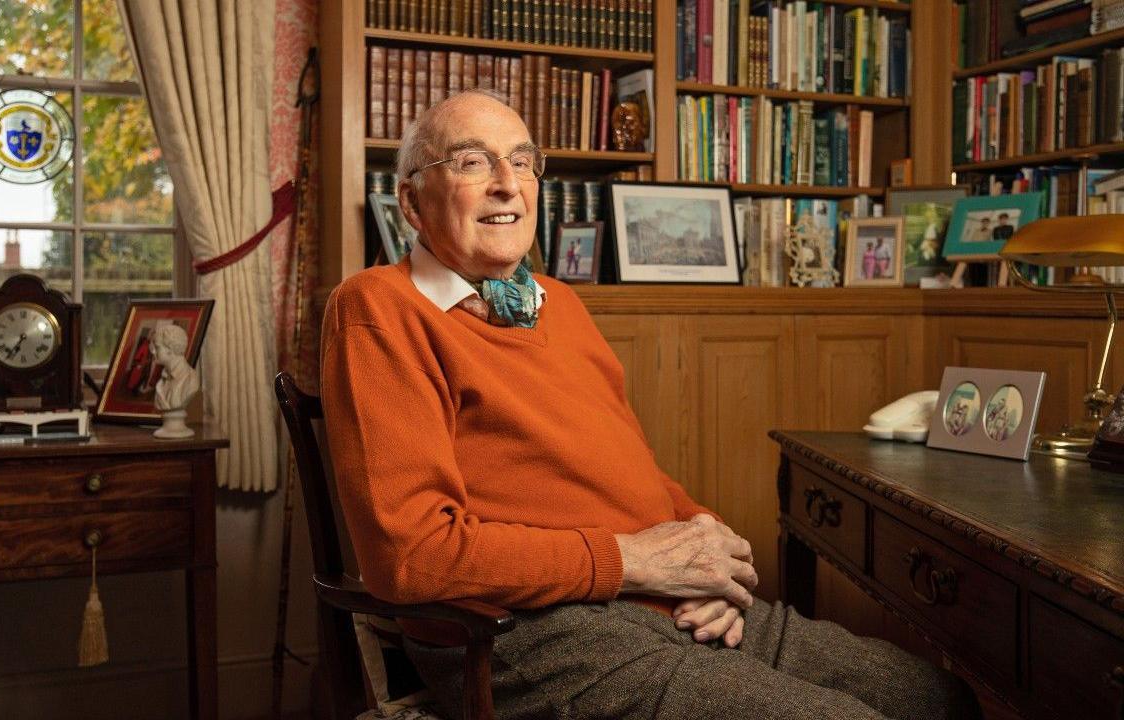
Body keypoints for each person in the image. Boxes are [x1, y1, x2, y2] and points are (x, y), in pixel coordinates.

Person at [320, 90, 980, 720]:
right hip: (531, 632)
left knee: (934, 698)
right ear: (410, 202)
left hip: (666, 599)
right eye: (471, 162)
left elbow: (627, 469)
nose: (506, 182)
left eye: (522, 161)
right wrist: (634, 561)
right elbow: (410, 555)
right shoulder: (378, 306)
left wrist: (709, 552)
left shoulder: (560, 303)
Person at [150, 321, 198, 412]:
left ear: (171, 348)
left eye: (157, 347)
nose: (153, 351)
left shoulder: (190, 380)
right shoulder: (163, 379)